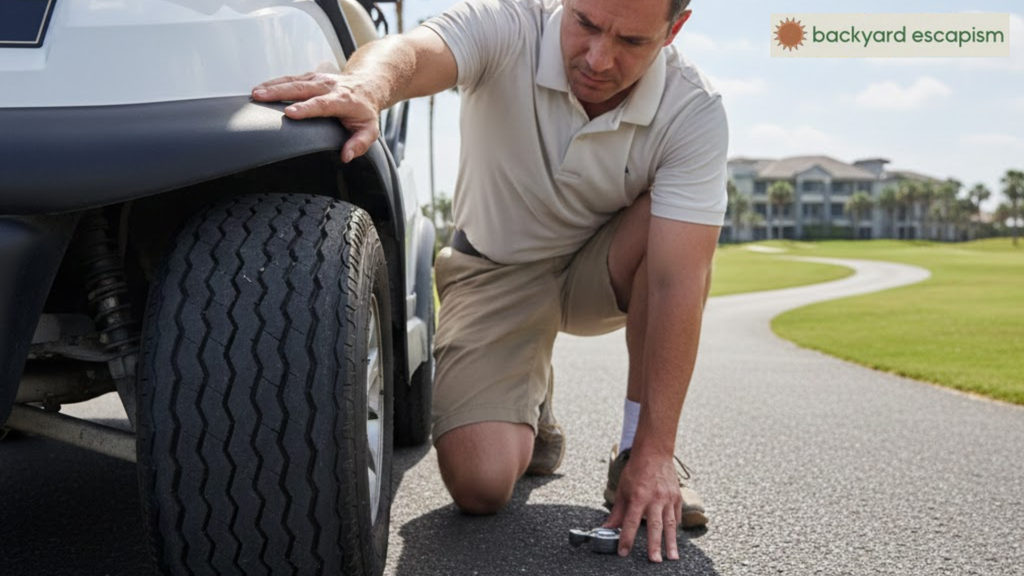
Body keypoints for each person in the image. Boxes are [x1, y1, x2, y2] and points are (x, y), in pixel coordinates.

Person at [252, 0, 727, 562]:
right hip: (496, 268)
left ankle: (634, 454)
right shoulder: (506, 24)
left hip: (604, 268)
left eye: (631, 43)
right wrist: (369, 85)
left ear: (675, 29)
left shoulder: (693, 107)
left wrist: (655, 449)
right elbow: (411, 51)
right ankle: (533, 399)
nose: (599, 59)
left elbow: (677, 284)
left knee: (674, 235)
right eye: (586, 24)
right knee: (479, 484)